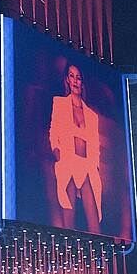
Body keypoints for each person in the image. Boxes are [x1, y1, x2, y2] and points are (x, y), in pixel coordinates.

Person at [49, 63, 103, 234]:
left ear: (82, 82)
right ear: (67, 79)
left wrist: (94, 165)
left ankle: (97, 253)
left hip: (86, 165)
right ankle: (67, 253)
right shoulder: (59, 103)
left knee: (94, 215)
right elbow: (53, 131)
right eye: (71, 76)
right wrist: (56, 151)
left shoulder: (92, 116)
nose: (75, 80)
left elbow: (95, 144)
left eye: (78, 77)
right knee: (68, 212)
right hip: (67, 161)